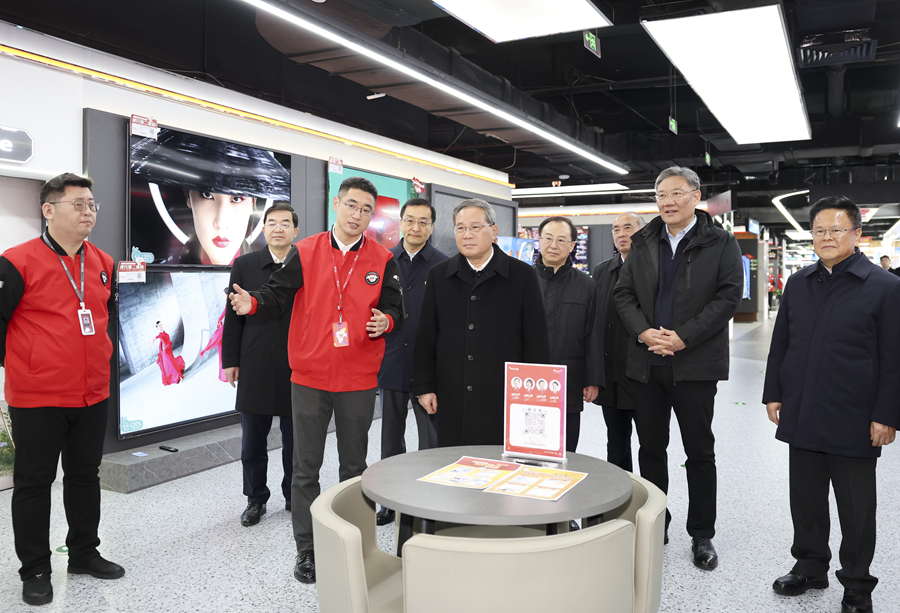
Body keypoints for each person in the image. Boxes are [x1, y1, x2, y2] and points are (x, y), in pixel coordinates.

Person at [228, 176, 401, 585]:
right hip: (308, 377)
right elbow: (276, 293)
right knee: (305, 467)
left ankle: (358, 545)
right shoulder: (305, 251)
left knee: (354, 467)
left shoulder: (382, 258)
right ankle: (307, 549)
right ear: (336, 205)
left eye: (366, 209)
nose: (357, 215)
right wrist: (253, 302)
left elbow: (395, 308)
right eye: (351, 205)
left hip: (358, 378)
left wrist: (387, 320)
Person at [763, 196, 900, 613]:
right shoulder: (799, 283)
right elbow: (781, 343)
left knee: (856, 506)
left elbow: (894, 357)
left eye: (836, 229)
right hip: (803, 407)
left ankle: (857, 583)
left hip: (855, 415)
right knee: (804, 497)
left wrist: (887, 415)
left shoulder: (884, 286)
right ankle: (809, 567)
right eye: (819, 230)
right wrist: (773, 392)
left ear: (857, 233)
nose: (827, 237)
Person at [0, 173, 124, 606]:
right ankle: (35, 568)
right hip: (38, 397)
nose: (88, 211)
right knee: (35, 482)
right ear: (48, 210)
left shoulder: (104, 263)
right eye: (78, 204)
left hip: (92, 393)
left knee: (85, 476)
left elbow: (106, 319)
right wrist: (29, 364)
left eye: (92, 204)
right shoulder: (16, 262)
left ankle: (84, 553)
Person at [614, 166, 743, 570]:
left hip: (695, 365)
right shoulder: (643, 240)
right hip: (647, 365)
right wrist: (644, 332)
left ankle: (702, 533)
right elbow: (623, 294)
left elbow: (728, 297)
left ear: (696, 196)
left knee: (699, 451)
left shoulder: (720, 242)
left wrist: (684, 336)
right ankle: (658, 523)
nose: (667, 202)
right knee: (651, 449)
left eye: (676, 193)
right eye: (661, 195)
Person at [413, 199, 550, 446]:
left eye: (475, 227)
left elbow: (536, 339)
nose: (467, 234)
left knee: (500, 462)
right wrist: (425, 386)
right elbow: (426, 336)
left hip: (504, 393)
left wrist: (534, 393)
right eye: (460, 228)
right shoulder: (439, 275)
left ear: (493, 231)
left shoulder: (522, 275)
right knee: (453, 460)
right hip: (451, 392)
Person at [222, 203, 300, 528]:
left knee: (296, 440)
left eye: (285, 223)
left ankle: (295, 494)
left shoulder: (305, 265)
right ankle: (255, 499)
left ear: (296, 230)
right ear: (264, 228)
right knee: (252, 441)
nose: (278, 228)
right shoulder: (244, 264)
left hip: (296, 364)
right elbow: (232, 316)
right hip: (254, 361)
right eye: (272, 223)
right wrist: (231, 360)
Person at [374, 197, 448, 526]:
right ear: (401, 223)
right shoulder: (382, 260)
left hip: (428, 368)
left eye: (423, 221)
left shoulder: (445, 266)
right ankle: (390, 501)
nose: (416, 227)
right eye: (410, 220)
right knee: (390, 439)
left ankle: (430, 502)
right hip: (390, 361)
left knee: (430, 440)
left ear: (431, 227)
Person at [130, 128, 291, 265]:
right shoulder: (158, 277)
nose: (221, 223)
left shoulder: (272, 275)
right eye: (207, 195)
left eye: (236, 198)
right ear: (188, 197)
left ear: (253, 202)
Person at [533, 215, 600, 453]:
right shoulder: (523, 280)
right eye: (548, 238)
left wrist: (592, 379)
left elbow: (593, 334)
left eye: (561, 240)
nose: (554, 245)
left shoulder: (586, 285)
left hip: (569, 380)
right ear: (539, 240)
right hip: (528, 381)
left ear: (572, 245)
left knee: (566, 449)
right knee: (528, 448)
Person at [592, 212, 644, 472]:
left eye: (628, 228)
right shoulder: (602, 271)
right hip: (611, 375)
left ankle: (653, 496)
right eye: (615, 229)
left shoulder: (655, 269)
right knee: (616, 443)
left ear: (642, 232)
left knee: (651, 445)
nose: (621, 234)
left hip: (644, 376)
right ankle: (622, 493)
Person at [154, 321, 185, 386]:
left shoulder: (164, 333)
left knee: (173, 363)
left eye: (161, 325)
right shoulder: (161, 334)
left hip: (169, 351)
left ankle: (176, 376)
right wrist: (155, 338)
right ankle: (178, 378)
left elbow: (161, 343)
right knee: (171, 365)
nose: (161, 326)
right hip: (166, 353)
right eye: (159, 326)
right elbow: (159, 336)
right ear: (157, 328)